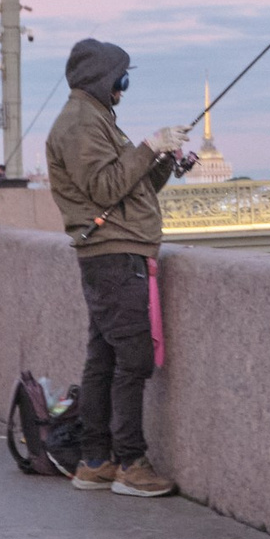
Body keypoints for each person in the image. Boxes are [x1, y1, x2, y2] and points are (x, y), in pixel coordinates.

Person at [45, 39, 185, 498]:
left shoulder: (95, 119)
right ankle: (130, 462)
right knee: (133, 359)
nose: (124, 89)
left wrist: (163, 160)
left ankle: (96, 461)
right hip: (112, 255)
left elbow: (131, 187)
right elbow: (106, 189)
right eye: (122, 79)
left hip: (115, 251)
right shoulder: (79, 124)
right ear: (106, 79)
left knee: (103, 358)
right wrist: (147, 145)